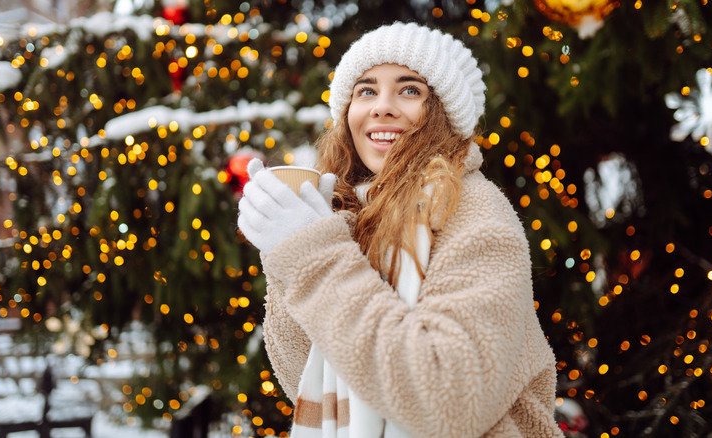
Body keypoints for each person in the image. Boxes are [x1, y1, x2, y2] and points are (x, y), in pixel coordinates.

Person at [237, 22, 564, 438]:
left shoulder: (473, 211)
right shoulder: (352, 216)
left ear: (443, 115)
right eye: (366, 90)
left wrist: (313, 257)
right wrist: (286, 252)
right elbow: (305, 376)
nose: (382, 106)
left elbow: (450, 403)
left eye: (409, 90)